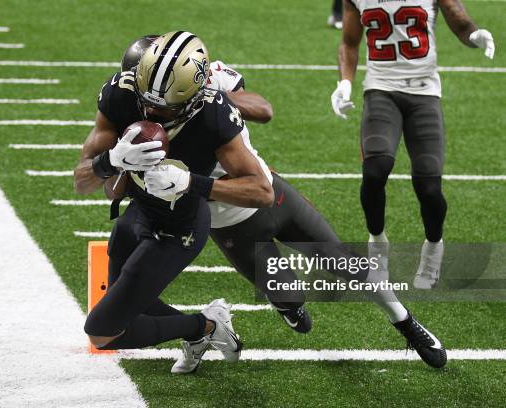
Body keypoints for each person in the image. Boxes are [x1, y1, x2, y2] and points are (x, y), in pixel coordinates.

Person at [118, 35, 448, 373]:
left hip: (271, 195)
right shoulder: (132, 123)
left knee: (346, 263)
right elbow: (118, 188)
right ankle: (289, 307)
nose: (151, 108)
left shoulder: (209, 96)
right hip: (231, 224)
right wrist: (117, 164)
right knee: (290, 298)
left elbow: (262, 110)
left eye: (162, 98)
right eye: (142, 93)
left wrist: (215, 101)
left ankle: (406, 322)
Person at [75, 31, 275, 367]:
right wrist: (111, 162)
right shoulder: (120, 94)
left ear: (194, 98)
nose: (150, 112)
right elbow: (83, 183)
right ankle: (207, 327)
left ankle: (206, 325)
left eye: (162, 108)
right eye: (145, 101)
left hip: (181, 227)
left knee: (103, 331)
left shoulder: (212, 114)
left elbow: (262, 191)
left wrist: (190, 182)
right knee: (131, 303)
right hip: (138, 214)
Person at [331, 0, 495, 289]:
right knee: (374, 171)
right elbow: (349, 41)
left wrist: (473, 34)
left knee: (429, 185)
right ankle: (377, 243)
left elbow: (456, 17)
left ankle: (433, 247)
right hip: (381, 90)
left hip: (424, 93)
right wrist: (344, 82)